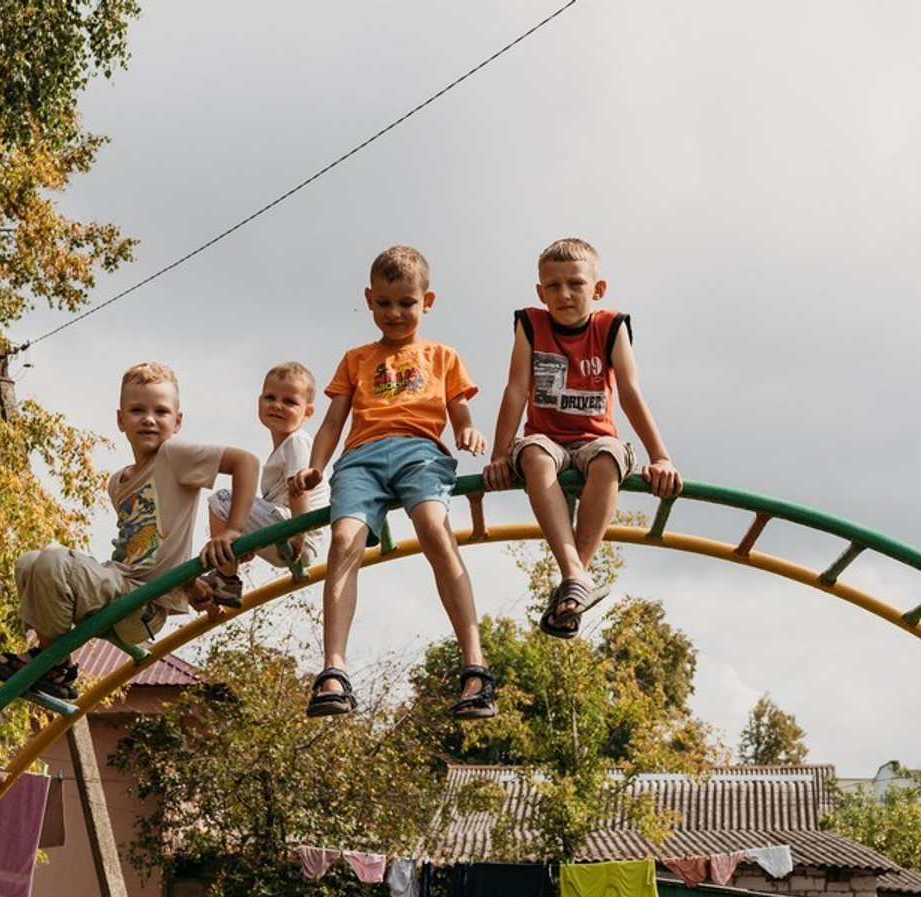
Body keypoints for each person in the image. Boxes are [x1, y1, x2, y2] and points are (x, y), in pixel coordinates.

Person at [289, 245, 496, 720]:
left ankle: (475, 663)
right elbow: (332, 422)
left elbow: (459, 409)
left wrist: (466, 429)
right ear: (368, 299)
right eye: (384, 303)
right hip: (360, 458)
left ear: (428, 301)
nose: (395, 313)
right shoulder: (356, 358)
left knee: (432, 526)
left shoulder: (441, 356)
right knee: (344, 540)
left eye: (406, 302)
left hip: (420, 450)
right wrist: (317, 465)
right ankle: (334, 668)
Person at [0, 361, 260, 698]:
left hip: (143, 604)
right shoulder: (118, 483)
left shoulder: (174, 456)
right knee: (28, 562)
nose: (149, 419)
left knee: (54, 558)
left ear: (178, 421)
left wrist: (232, 531)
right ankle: (53, 661)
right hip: (120, 583)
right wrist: (192, 584)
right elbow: (147, 547)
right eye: (138, 410)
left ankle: (53, 666)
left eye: (161, 411)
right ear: (120, 419)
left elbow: (246, 462)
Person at [483, 237, 681, 638]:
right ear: (541, 292)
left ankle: (574, 583)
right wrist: (501, 453)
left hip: (596, 440)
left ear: (598, 289)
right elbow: (516, 389)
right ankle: (576, 576)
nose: (564, 294)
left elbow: (629, 391)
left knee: (608, 459)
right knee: (535, 456)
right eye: (553, 286)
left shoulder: (610, 326)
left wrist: (660, 456)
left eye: (575, 283)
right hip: (546, 439)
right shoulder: (531, 324)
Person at [202, 361, 331, 607]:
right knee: (236, 513)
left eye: (290, 401)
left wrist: (298, 534)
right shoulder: (282, 450)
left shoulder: (297, 442)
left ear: (308, 412)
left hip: (297, 533)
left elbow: (299, 490)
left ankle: (225, 577)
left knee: (223, 499)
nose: (277, 405)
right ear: (259, 402)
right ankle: (229, 565)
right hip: (289, 532)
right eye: (270, 397)